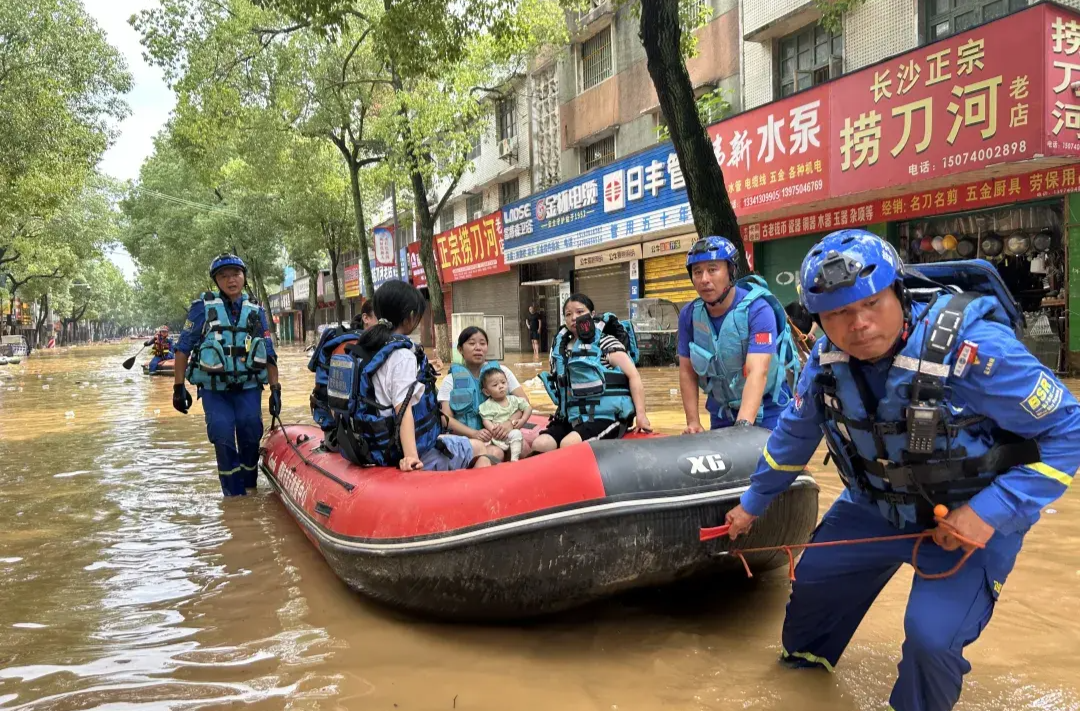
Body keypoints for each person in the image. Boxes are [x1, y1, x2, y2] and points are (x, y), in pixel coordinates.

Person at [723, 229, 1080, 711]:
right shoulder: (826, 361)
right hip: (872, 506)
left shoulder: (978, 351)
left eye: (871, 303)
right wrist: (750, 506)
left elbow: (1068, 432)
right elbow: (792, 439)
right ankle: (803, 684)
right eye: (837, 314)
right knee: (811, 588)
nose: (859, 325)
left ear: (898, 291)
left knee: (930, 642)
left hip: (964, 517)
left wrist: (989, 511)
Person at [327, 280, 492, 471]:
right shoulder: (402, 354)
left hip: (371, 446)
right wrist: (411, 456)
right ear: (411, 316)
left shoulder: (364, 346)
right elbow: (403, 408)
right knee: (480, 448)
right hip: (397, 450)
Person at [172, 253, 281, 496]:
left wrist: (276, 390)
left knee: (251, 434)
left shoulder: (256, 311)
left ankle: (250, 491)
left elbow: (269, 352)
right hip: (215, 390)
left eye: (236, 274)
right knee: (221, 435)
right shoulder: (202, 308)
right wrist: (178, 387)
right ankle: (233, 499)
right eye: (224, 276)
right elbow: (183, 348)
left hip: (249, 386)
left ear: (243, 277)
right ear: (216, 280)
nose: (231, 280)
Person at [677, 235, 801, 433]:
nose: (704, 279)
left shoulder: (758, 309)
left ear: (731, 271)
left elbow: (757, 371)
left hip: (768, 410)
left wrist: (743, 426)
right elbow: (687, 372)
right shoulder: (689, 315)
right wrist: (693, 422)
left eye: (712, 269)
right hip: (722, 413)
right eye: (697, 272)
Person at [532, 294, 651, 453]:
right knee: (541, 444)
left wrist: (641, 415)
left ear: (592, 315)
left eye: (580, 312)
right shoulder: (560, 350)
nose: (574, 317)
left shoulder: (605, 342)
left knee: (568, 444)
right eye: (568, 314)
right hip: (571, 418)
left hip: (605, 417)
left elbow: (633, 375)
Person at [438, 326, 532, 462]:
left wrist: (510, 423)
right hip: (469, 438)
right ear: (460, 349)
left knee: (524, 448)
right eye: (471, 343)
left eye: (482, 343)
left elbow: (524, 402)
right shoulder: (450, 380)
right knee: (495, 453)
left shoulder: (502, 372)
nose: (478, 348)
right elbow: (445, 418)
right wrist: (474, 433)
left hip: (502, 433)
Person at [479, 368, 532, 461]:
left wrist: (523, 420)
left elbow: (527, 407)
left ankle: (514, 460)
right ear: (487, 392)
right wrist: (494, 430)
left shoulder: (514, 400)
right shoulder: (488, 405)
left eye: (503, 382)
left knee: (516, 434)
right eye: (495, 385)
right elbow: (485, 419)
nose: (501, 386)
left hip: (512, 434)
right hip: (497, 438)